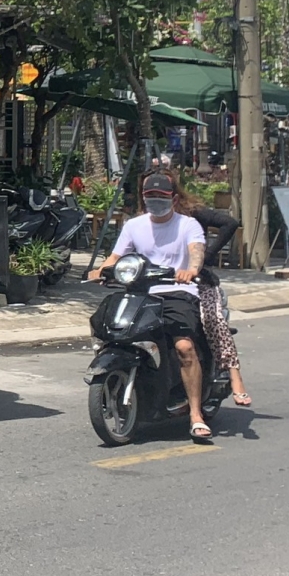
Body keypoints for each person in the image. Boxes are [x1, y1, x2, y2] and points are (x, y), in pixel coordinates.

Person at [90, 169, 215, 441]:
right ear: (143, 197)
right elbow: (115, 256)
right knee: (116, 333)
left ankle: (195, 414)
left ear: (173, 197)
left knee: (183, 346)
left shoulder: (187, 225)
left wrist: (190, 270)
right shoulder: (134, 225)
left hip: (178, 292)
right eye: (150, 195)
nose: (155, 200)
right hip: (140, 292)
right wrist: (103, 269)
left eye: (161, 195)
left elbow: (196, 252)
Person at [182, 195, 249, 408]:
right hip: (160, 281)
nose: (157, 199)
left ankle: (233, 371)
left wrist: (207, 257)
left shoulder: (192, 215)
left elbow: (230, 223)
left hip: (198, 279)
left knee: (212, 317)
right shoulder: (146, 220)